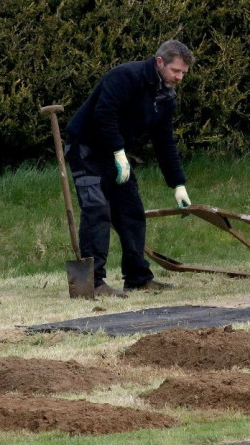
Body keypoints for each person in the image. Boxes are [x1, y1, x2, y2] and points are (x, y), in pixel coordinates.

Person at [64, 40, 195, 298]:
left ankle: (137, 278)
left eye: (183, 73)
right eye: (175, 71)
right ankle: (92, 283)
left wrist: (177, 183)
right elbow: (104, 115)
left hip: (115, 153)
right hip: (86, 149)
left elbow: (164, 142)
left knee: (132, 212)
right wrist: (118, 152)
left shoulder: (165, 96)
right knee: (97, 210)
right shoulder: (125, 77)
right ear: (160, 62)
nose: (179, 77)